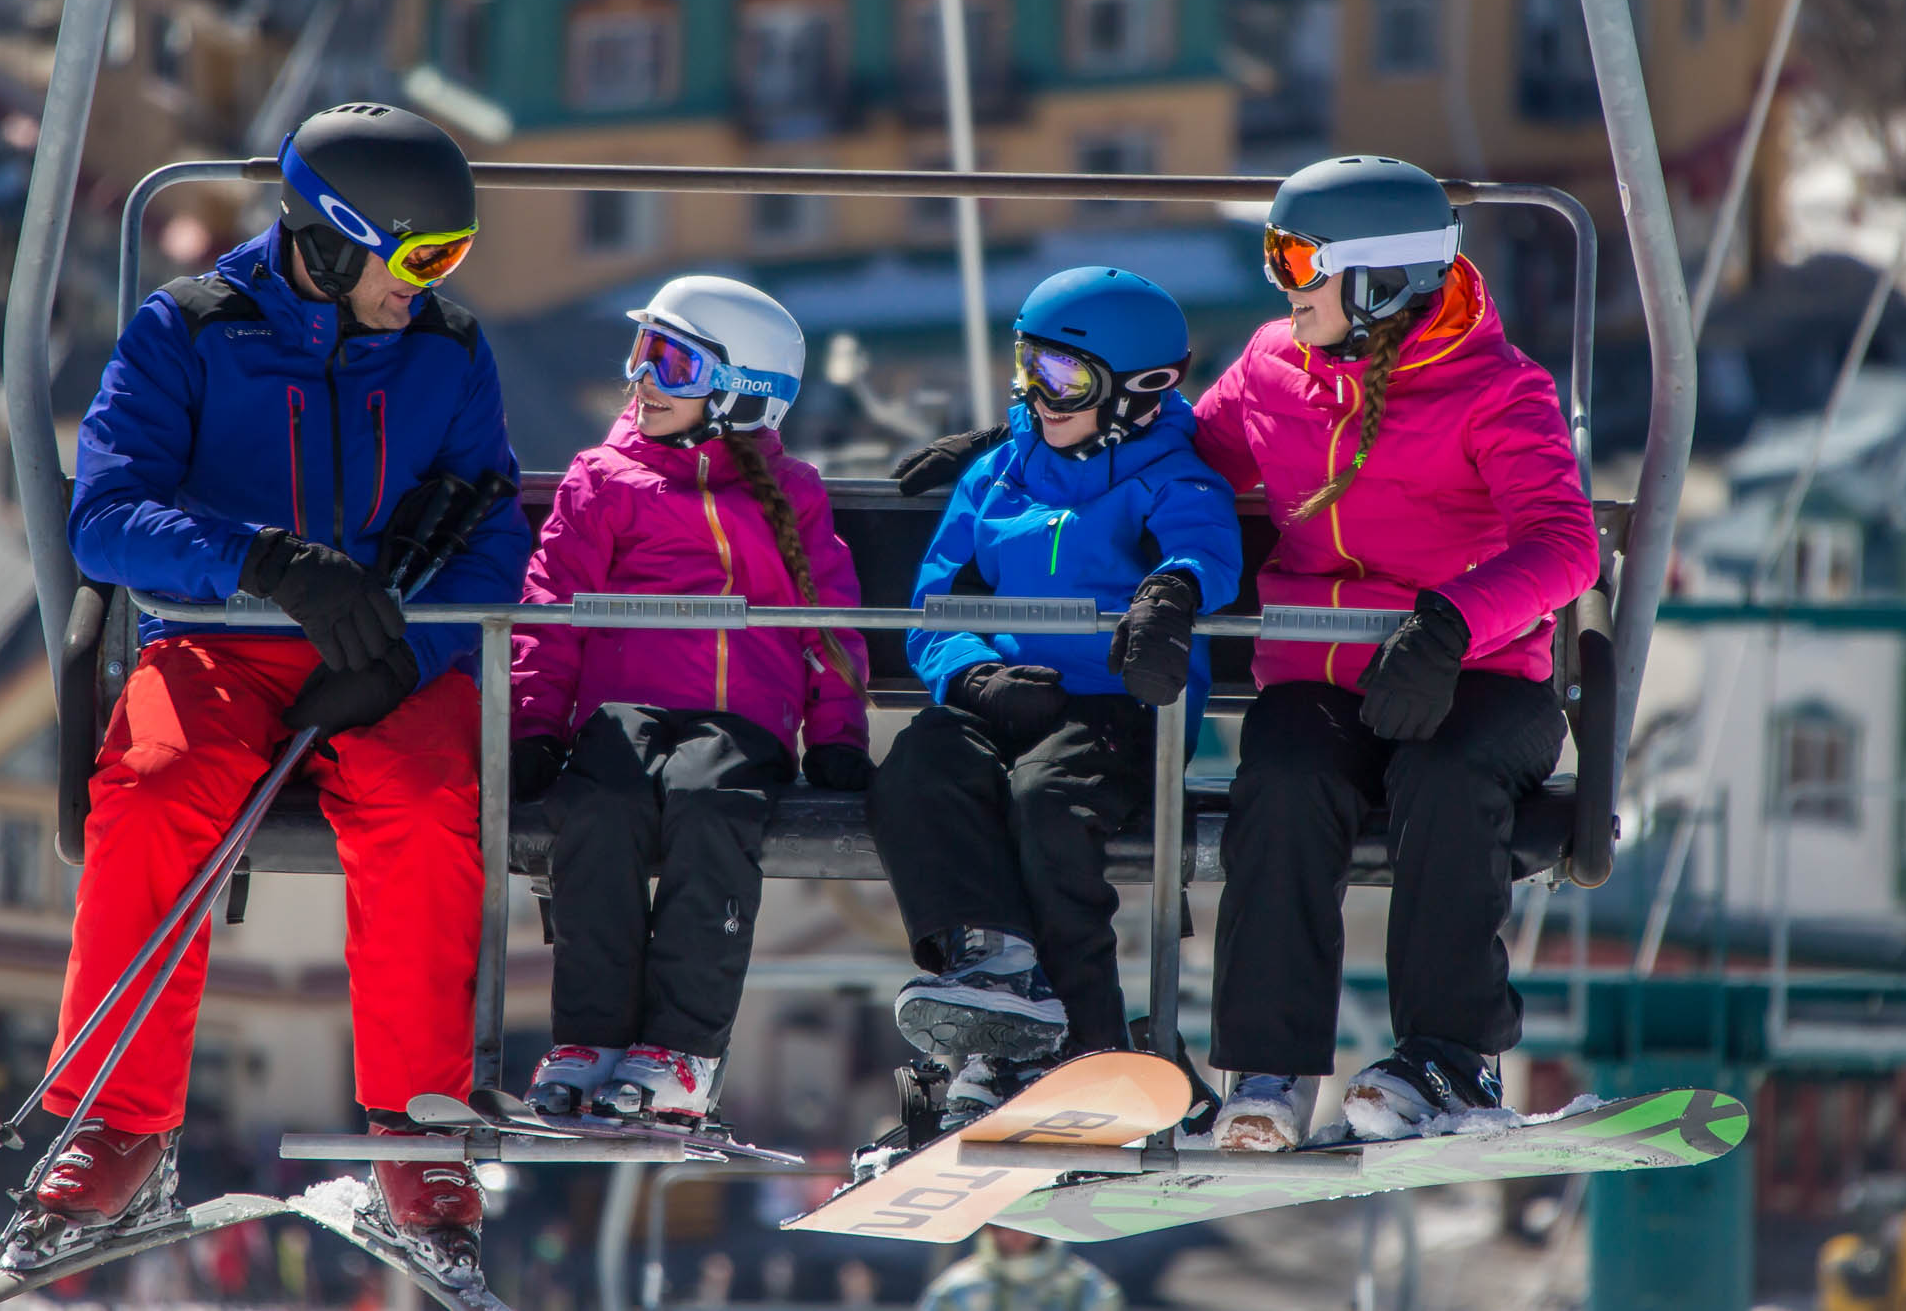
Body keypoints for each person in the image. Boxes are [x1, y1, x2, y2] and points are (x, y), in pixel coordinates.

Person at [29, 103, 531, 1273]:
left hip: (390, 651)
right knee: (154, 789)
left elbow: (492, 528)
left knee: (421, 801)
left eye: (448, 260)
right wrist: (260, 561)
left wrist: (417, 653)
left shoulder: (448, 352)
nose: (432, 285)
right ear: (335, 237)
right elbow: (105, 520)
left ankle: (416, 1134)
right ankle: (117, 1120)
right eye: (417, 258)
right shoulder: (191, 330)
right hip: (218, 638)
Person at [1197, 156, 1598, 1148]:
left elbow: (1565, 542)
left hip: (1479, 679)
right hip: (1322, 679)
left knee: (1449, 779)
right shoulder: (1270, 370)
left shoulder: (1497, 390)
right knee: (1284, 779)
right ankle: (1270, 1071)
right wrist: (1024, 450)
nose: (1283, 287)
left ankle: (1448, 1061)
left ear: (1380, 281)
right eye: (1273, 257)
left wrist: (1452, 623)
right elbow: (1185, 462)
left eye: (1299, 261)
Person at [868, 268, 1240, 1128]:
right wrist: (969, 673)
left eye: (1064, 377)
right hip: (999, 699)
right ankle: (991, 993)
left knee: (1046, 807)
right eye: (1028, 366)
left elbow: (1204, 553)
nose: (1037, 394)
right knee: (917, 772)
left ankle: (1091, 1039)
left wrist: (1170, 600)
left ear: (1139, 388)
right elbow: (936, 600)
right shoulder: (998, 474)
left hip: (1118, 707)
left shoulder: (1169, 477)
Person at [511, 276, 872, 1125]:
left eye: (670, 363)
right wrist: (533, 727)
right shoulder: (602, 480)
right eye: (642, 354)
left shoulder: (793, 496)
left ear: (744, 394)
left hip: (740, 719)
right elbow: (550, 608)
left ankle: (681, 1050)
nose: (641, 380)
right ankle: (588, 1039)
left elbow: (831, 623)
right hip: (623, 711)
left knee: (710, 810)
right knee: (598, 808)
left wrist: (838, 738)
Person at [916, 1229, 1121, 1311]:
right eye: (1001, 1224)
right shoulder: (957, 1289)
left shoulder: (1084, 1287)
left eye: (1024, 1222)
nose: (1013, 1232)